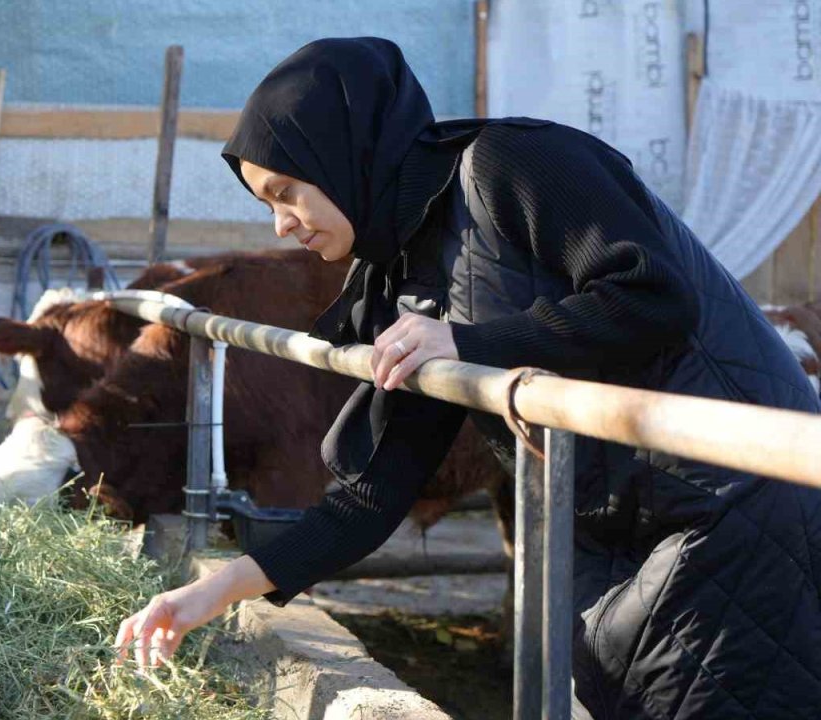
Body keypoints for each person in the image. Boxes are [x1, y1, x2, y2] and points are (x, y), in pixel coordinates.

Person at [114, 39, 821, 718]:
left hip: (733, 508)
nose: (279, 225)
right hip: (620, 541)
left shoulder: (513, 162)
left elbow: (654, 295)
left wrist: (470, 341)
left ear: (341, 152)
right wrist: (218, 590)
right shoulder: (413, 270)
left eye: (286, 191)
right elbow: (373, 494)